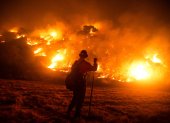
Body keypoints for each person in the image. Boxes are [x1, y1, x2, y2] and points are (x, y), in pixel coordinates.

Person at [67, 50, 98, 118]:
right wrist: (95, 62)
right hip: (81, 83)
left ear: (80, 55)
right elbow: (94, 69)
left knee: (75, 98)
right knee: (80, 99)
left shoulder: (75, 62)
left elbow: (72, 70)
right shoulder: (85, 64)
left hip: (74, 83)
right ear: (85, 56)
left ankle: (68, 112)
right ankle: (77, 115)